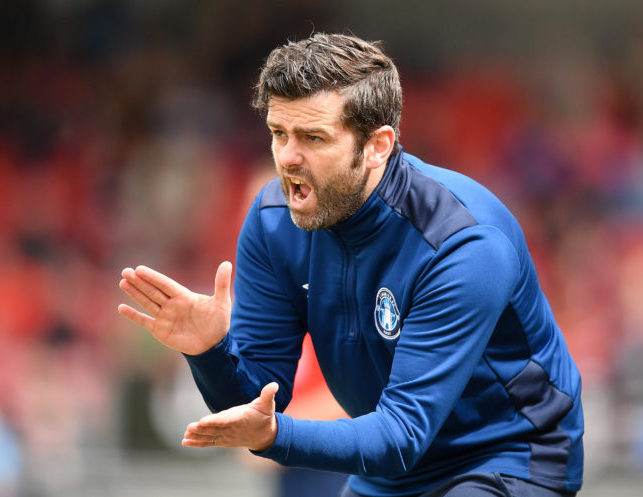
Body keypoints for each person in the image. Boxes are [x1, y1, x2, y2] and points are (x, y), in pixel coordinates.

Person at [118, 33, 584, 497]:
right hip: (390, 470)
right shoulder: (273, 222)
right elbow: (255, 406)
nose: (288, 159)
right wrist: (210, 352)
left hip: (510, 455)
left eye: (313, 138)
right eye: (279, 134)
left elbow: (401, 435)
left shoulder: (463, 242)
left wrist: (277, 436)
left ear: (378, 145)